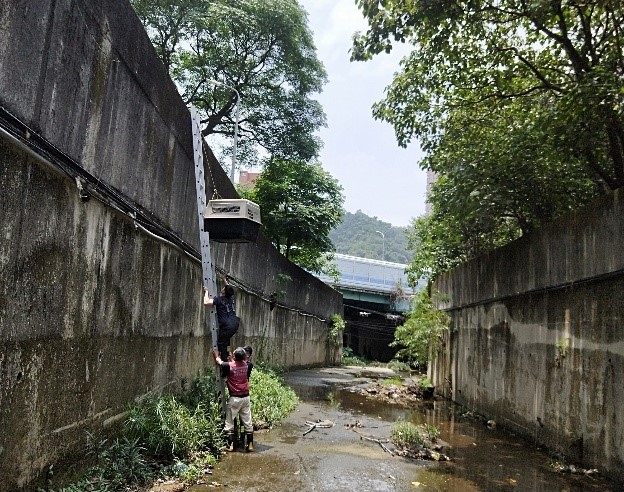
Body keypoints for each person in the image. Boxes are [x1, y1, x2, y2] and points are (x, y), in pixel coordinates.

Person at [214, 347, 254, 452]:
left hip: (235, 398)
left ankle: (230, 445)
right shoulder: (248, 365)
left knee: (229, 421)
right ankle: (250, 445)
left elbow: (219, 362)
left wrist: (216, 354)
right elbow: (240, 363)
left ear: (235, 356)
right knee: (247, 421)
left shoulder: (229, 366)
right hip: (246, 397)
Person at [204, 284, 240, 358]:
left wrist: (206, 291)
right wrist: (224, 280)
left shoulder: (219, 299)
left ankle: (224, 361)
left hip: (227, 326)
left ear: (224, 291)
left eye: (224, 288)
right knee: (227, 340)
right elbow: (229, 288)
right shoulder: (231, 298)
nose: (222, 288)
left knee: (222, 344)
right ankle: (229, 353)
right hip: (235, 324)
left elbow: (206, 302)